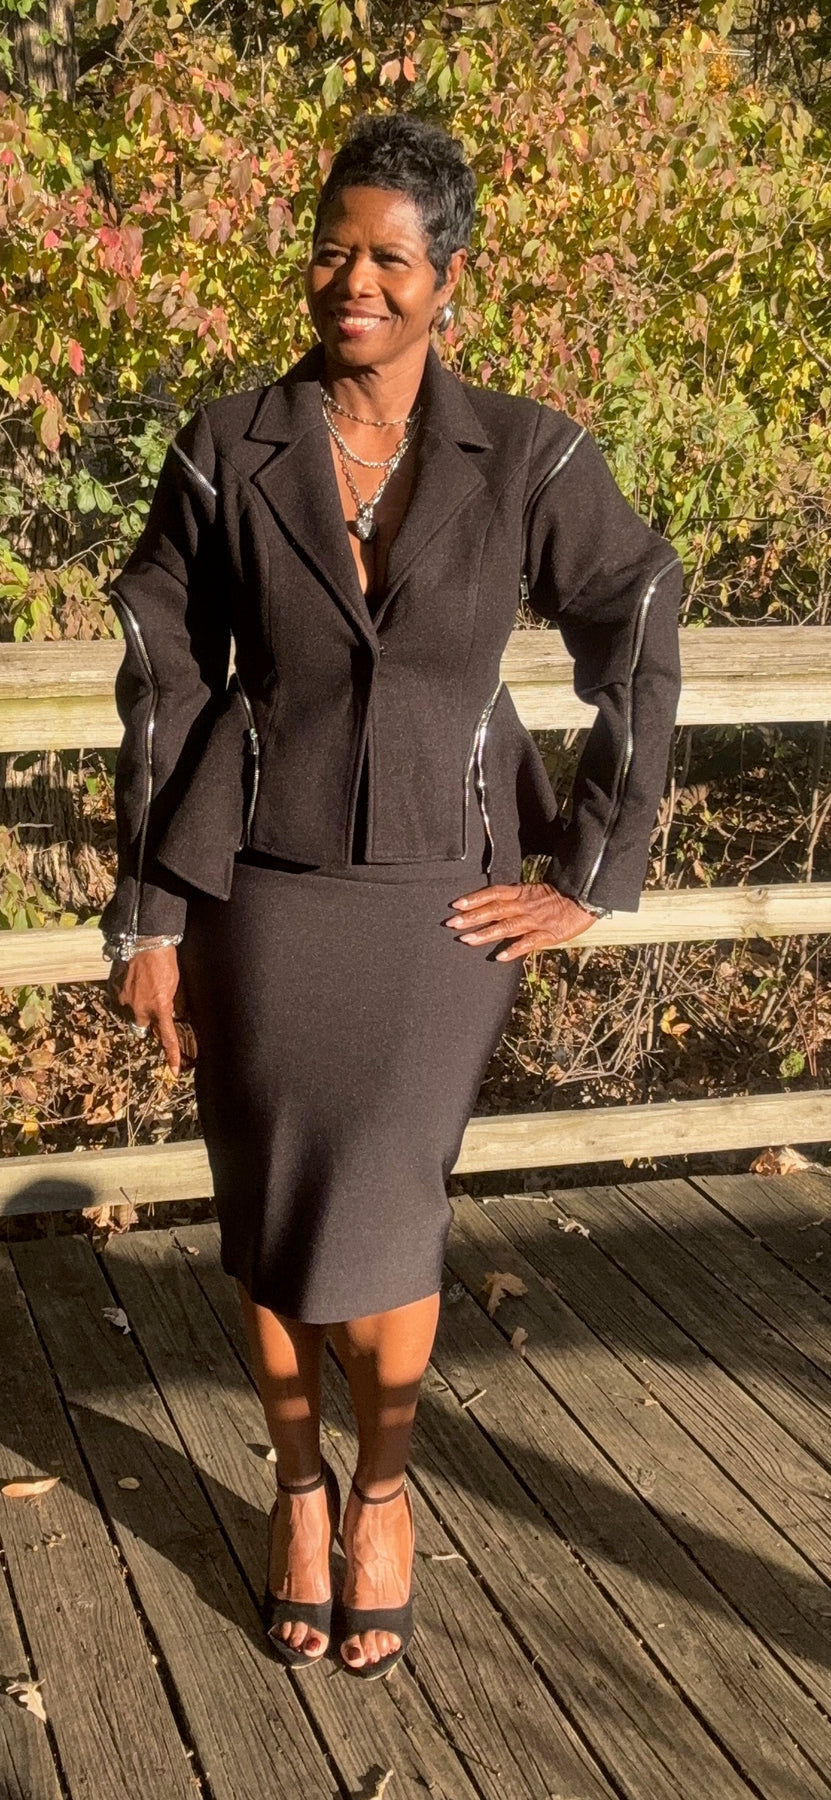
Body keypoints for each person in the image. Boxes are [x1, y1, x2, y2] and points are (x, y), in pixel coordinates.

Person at [102, 110, 683, 1680]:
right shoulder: (229, 444)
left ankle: (384, 1489)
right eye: (332, 250)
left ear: (449, 277)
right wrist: (152, 912)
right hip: (261, 888)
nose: (353, 281)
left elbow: (641, 605)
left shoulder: (530, 454)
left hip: (445, 896)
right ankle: (298, 1488)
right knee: (272, 1201)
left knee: (391, 1200)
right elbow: (165, 671)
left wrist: (597, 867)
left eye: (390, 258)